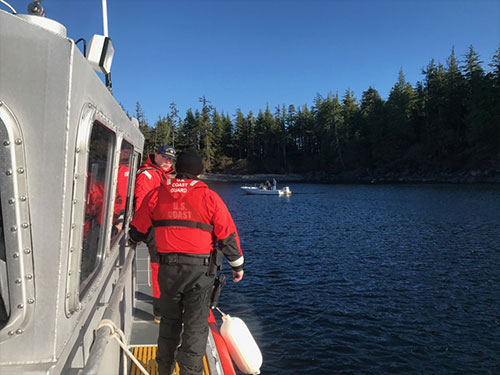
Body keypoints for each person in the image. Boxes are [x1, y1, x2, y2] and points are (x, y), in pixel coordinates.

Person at [128, 147, 244, 375]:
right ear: (199, 174)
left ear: (176, 170)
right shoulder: (209, 196)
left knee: (170, 321)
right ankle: (189, 372)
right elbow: (227, 234)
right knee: (196, 326)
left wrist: (133, 238)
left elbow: (138, 228)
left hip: (168, 271)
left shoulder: (156, 194)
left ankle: (163, 368)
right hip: (199, 274)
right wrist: (237, 264)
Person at [134, 144, 176, 323]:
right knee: (159, 268)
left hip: (164, 228)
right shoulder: (148, 175)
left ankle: (164, 304)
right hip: (154, 229)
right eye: (165, 157)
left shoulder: (162, 175)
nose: (168, 162)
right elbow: (141, 204)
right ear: (156, 155)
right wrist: (140, 231)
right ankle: (160, 312)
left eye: (171, 159)